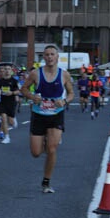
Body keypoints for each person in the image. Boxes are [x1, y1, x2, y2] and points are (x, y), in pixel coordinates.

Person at [23, 45, 75, 194]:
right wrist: (33, 97)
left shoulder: (64, 75)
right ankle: (46, 140)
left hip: (56, 114)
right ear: (43, 57)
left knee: (52, 149)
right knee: (36, 153)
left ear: (57, 57)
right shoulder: (35, 74)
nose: (50, 57)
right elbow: (24, 89)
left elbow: (71, 93)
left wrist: (64, 102)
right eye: (47, 55)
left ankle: (46, 182)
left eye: (52, 54)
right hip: (39, 114)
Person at [0, 63, 20, 143]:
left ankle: (13, 119)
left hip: (11, 102)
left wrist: (12, 93)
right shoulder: (1, 81)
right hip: (3, 102)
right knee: (4, 119)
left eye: (9, 69)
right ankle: (7, 137)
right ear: (3, 71)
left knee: (11, 122)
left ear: (11, 71)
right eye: (5, 69)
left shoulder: (14, 81)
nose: (7, 71)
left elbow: (19, 91)